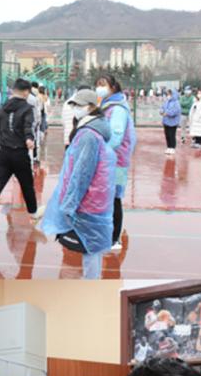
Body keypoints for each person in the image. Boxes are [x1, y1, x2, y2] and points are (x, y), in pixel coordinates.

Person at [39, 88, 114, 279]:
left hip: (88, 201)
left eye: (80, 106)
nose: (76, 109)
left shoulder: (88, 134)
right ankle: (91, 281)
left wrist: (69, 204)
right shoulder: (92, 129)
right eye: (74, 105)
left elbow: (82, 173)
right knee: (92, 248)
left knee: (90, 248)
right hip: (93, 198)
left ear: (91, 107)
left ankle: (91, 284)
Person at [0, 78, 43, 231]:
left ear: (14, 90)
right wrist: (29, 139)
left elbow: (0, 127)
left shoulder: (3, 107)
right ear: (26, 92)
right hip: (19, 153)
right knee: (27, 185)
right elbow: (28, 126)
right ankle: (33, 214)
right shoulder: (27, 108)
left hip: (4, 152)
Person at [95, 74, 136, 251]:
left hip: (115, 159)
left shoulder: (117, 108)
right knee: (106, 196)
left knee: (113, 198)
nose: (99, 87)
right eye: (97, 84)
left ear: (113, 87)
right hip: (108, 157)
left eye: (103, 84)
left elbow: (116, 136)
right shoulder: (106, 105)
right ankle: (107, 234)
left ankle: (114, 238)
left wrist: (100, 152)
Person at [160, 89, 181, 155]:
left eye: (170, 94)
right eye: (168, 94)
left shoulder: (176, 102)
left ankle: (172, 147)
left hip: (173, 122)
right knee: (167, 135)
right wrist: (161, 111)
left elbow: (176, 111)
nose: (168, 95)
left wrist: (167, 113)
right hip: (166, 121)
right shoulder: (166, 101)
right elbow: (162, 107)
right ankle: (168, 147)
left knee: (172, 135)